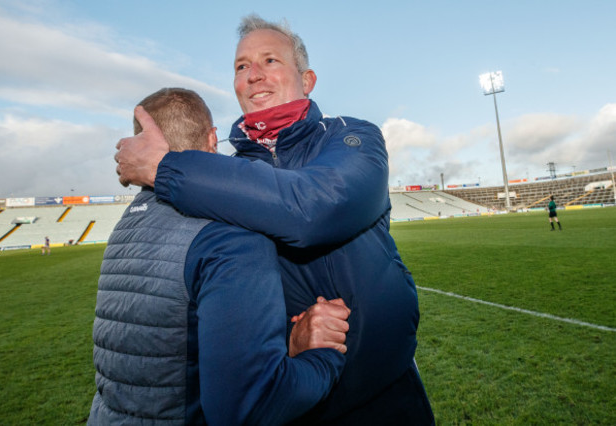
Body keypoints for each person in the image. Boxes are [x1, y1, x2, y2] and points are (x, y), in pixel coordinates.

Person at [115, 15, 434, 424]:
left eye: (270, 60)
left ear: (308, 79)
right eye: (241, 66)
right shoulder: (220, 176)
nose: (253, 76)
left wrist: (165, 168)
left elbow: (314, 209)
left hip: (386, 392)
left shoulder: (352, 137)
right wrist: (289, 344)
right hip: (300, 398)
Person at [89, 88, 351, 425]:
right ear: (213, 138)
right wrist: (320, 354)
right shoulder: (230, 233)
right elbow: (247, 408)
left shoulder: (128, 223)